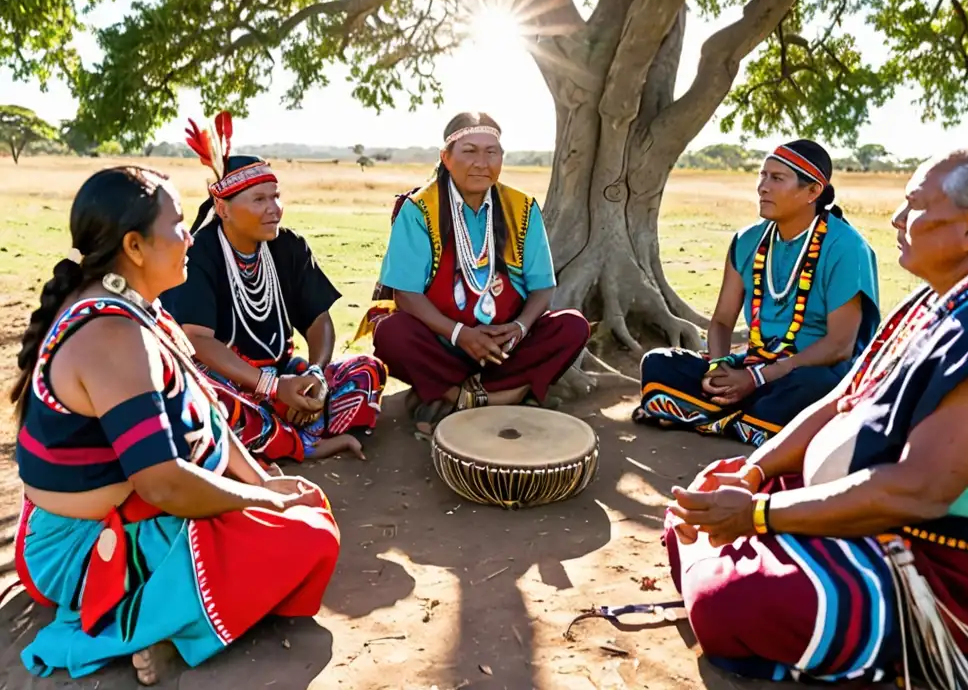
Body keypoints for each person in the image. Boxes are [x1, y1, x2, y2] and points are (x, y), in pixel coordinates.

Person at [659, 144, 968, 684]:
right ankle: (742, 553)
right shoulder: (931, 302)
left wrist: (758, 515)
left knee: (728, 602)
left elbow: (918, 491)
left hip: (938, 557)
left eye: (914, 205)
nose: (897, 219)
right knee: (707, 492)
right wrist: (753, 473)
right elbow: (839, 402)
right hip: (863, 509)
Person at [9, 167, 339, 685]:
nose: (191, 236)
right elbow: (161, 481)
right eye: (180, 224)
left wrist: (261, 480)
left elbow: (205, 408)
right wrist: (265, 502)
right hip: (81, 546)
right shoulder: (111, 335)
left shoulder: (140, 308)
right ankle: (144, 631)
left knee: (305, 510)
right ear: (135, 246)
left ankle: (179, 612)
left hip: (140, 507)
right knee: (305, 535)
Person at [162, 112, 386, 463]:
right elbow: (199, 341)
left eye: (276, 196)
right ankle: (303, 441)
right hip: (230, 382)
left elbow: (318, 320)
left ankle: (288, 428)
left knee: (366, 371)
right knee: (206, 401)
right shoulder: (200, 253)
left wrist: (315, 375)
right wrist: (270, 387)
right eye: (260, 200)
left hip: (285, 375)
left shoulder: (288, 246)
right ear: (223, 208)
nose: (275, 210)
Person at [354, 111, 590, 437]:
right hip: (442, 343)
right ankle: (508, 396)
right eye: (469, 151)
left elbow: (542, 288)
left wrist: (520, 328)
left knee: (572, 326)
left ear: (502, 158)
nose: (482, 162)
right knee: (390, 334)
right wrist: (460, 334)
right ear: (446, 158)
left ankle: (453, 397)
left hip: (507, 346)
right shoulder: (419, 209)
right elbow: (405, 295)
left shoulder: (522, 208)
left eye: (491, 152)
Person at [634, 139, 880, 446]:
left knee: (809, 389)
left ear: (813, 192)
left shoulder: (846, 248)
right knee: (659, 363)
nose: (763, 187)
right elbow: (723, 321)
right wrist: (719, 367)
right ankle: (749, 421)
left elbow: (839, 346)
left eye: (777, 178)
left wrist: (758, 379)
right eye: (762, 176)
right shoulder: (748, 241)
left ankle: (711, 415)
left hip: (807, 372)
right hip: (753, 365)